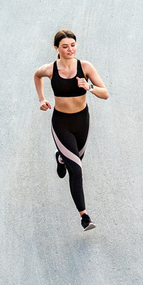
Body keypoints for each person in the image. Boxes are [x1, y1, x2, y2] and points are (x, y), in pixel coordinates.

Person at [34, 30, 109, 231]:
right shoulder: (50, 69)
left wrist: (89, 87)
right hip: (61, 123)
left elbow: (105, 94)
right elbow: (36, 75)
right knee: (76, 170)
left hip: (82, 121)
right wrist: (42, 99)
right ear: (57, 48)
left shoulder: (85, 67)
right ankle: (84, 217)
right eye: (65, 46)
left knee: (76, 160)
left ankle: (60, 158)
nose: (70, 49)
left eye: (73, 45)